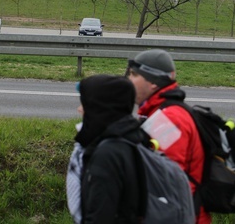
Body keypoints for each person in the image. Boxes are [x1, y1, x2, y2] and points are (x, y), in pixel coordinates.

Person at [127, 49, 212, 224]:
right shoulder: (158, 112)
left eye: (134, 75)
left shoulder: (169, 119)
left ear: (153, 82)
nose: (128, 80)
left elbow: (167, 182)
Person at [66, 74, 144, 223]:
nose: (79, 109)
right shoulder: (130, 139)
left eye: (84, 104)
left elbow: (100, 216)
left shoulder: (107, 154)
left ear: (99, 108)